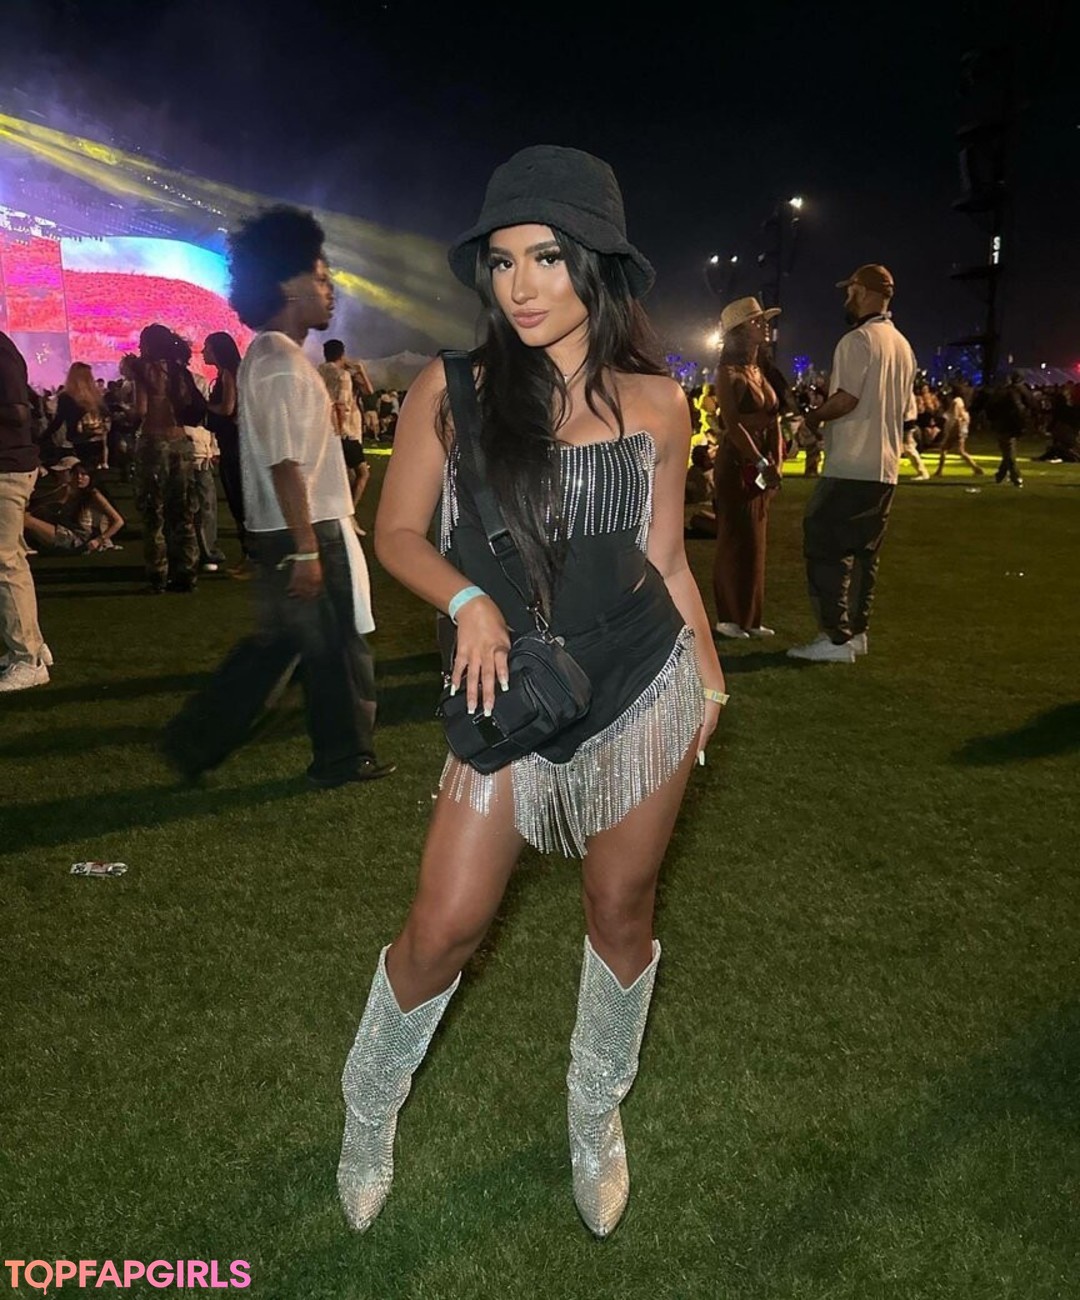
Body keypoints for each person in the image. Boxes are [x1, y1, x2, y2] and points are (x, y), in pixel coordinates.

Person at [334, 144, 726, 1240]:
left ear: (596, 265)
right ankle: (369, 1111)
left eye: (547, 257)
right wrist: (468, 600)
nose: (520, 285)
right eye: (503, 261)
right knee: (443, 925)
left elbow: (667, 560)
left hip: (643, 685)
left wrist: (708, 678)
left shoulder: (660, 403)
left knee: (621, 911)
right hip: (508, 694)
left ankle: (595, 1116)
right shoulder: (450, 389)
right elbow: (397, 532)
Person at [160, 205, 395, 789]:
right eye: (321, 277)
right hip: (306, 527)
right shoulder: (281, 363)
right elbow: (286, 465)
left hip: (293, 528)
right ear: (289, 285)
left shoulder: (270, 356)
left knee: (303, 646)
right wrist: (309, 548)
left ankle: (206, 740)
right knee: (325, 649)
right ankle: (333, 756)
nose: (330, 289)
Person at [787, 263, 917, 663]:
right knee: (865, 554)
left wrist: (811, 419)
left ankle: (836, 637)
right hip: (885, 466)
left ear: (861, 291)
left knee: (825, 544)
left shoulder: (857, 340)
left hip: (851, 464)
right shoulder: (903, 346)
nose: (847, 298)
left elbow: (847, 399)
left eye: (850, 291)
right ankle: (857, 632)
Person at [710, 297, 783, 639]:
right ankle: (728, 617)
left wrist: (776, 460)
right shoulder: (727, 373)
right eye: (756, 322)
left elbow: (774, 419)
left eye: (763, 320)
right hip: (738, 462)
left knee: (757, 540)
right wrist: (762, 461)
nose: (764, 326)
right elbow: (733, 424)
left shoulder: (759, 371)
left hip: (761, 463)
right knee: (734, 538)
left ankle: (751, 618)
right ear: (739, 331)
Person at [131, 324, 203, 593]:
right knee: (183, 510)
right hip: (180, 442)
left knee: (153, 512)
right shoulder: (178, 370)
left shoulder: (144, 369)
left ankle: (158, 575)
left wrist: (127, 418)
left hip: (153, 441)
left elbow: (140, 409)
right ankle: (187, 572)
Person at [0, 329, 51, 692]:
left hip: (6, 467)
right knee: (12, 560)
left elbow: (18, 412)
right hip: (10, 465)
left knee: (5, 564)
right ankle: (32, 646)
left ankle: (28, 658)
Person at [202, 332, 250, 574]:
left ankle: (250, 557)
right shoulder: (232, 372)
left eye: (207, 347)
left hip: (234, 445)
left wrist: (204, 407)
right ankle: (250, 555)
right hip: (236, 444)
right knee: (240, 501)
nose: (203, 352)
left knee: (239, 501)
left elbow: (227, 407)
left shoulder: (229, 374)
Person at [24, 456, 125, 553]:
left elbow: (118, 521)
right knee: (26, 516)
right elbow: (42, 501)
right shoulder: (68, 490)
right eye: (76, 474)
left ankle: (22, 547)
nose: (79, 478)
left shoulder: (93, 494)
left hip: (79, 540)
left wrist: (99, 540)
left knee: (26, 519)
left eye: (84, 474)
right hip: (66, 530)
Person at [318, 340, 370, 515]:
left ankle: (336, 510)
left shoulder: (317, 372)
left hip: (323, 428)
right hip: (344, 430)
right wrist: (341, 431)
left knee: (343, 473)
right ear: (342, 354)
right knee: (362, 473)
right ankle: (348, 513)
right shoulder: (342, 375)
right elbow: (341, 404)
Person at [41, 362, 111, 470]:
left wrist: (43, 436)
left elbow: (58, 421)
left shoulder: (66, 397)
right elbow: (106, 415)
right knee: (94, 472)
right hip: (97, 440)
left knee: (79, 472)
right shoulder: (96, 396)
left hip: (77, 441)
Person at [934, 383, 984, 476]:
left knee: (948, 449)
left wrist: (953, 430)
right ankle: (976, 468)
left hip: (957, 428)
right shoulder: (961, 401)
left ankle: (976, 468)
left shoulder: (956, 401)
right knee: (957, 450)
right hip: (961, 428)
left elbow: (956, 417)